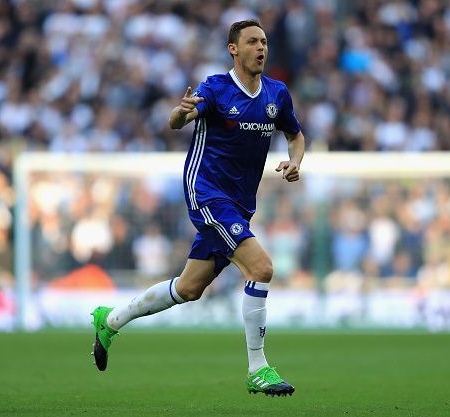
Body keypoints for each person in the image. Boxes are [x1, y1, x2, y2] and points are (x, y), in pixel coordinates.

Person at [91, 19, 305, 397]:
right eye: (252, 42)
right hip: (205, 191)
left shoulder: (277, 93)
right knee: (262, 267)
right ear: (233, 49)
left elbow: (295, 134)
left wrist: (295, 161)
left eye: (264, 42)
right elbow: (178, 121)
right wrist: (180, 112)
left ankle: (111, 320)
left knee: (190, 288)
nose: (261, 48)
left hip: (240, 204)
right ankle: (259, 369)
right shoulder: (216, 88)